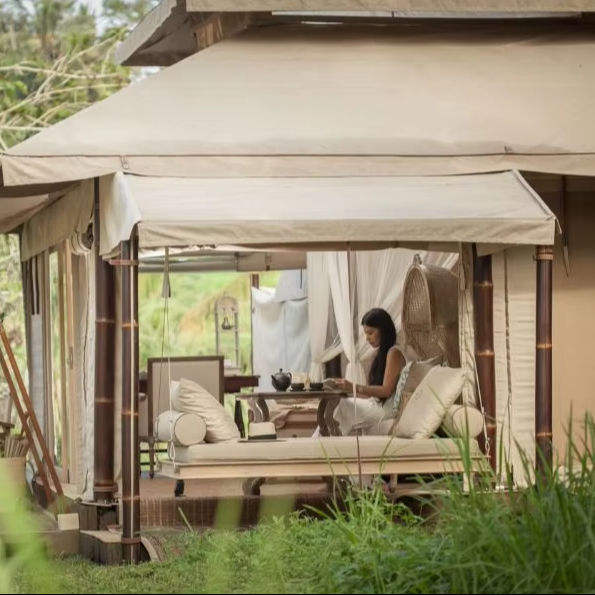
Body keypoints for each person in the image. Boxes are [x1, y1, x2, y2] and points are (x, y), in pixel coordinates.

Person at [332, 308, 405, 435]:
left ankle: (327, 440)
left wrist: (353, 387)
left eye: (370, 333)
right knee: (341, 403)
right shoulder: (383, 353)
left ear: (384, 330)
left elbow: (386, 390)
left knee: (343, 406)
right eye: (366, 333)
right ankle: (328, 439)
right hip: (377, 404)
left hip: (386, 410)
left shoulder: (394, 353)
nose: (367, 338)